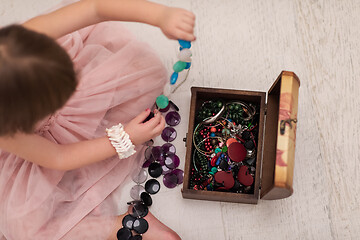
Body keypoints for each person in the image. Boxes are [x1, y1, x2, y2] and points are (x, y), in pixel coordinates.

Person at [0, 0, 195, 239]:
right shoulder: (7, 130)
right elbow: (59, 157)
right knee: (26, 230)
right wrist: (125, 138)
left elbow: (95, 8)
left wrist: (160, 15)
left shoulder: (25, 40)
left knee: (141, 77)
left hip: (77, 98)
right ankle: (123, 224)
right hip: (42, 151)